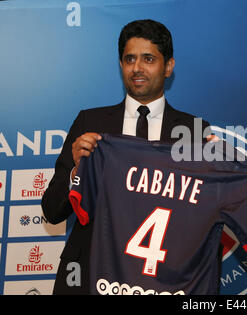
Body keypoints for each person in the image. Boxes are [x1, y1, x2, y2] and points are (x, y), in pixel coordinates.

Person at [42, 19, 210, 294]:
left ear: (168, 67)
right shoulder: (89, 122)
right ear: (120, 64)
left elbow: (201, 218)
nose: (137, 68)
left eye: (148, 59)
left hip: (161, 278)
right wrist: (76, 171)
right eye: (129, 59)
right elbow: (51, 210)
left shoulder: (193, 131)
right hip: (89, 276)